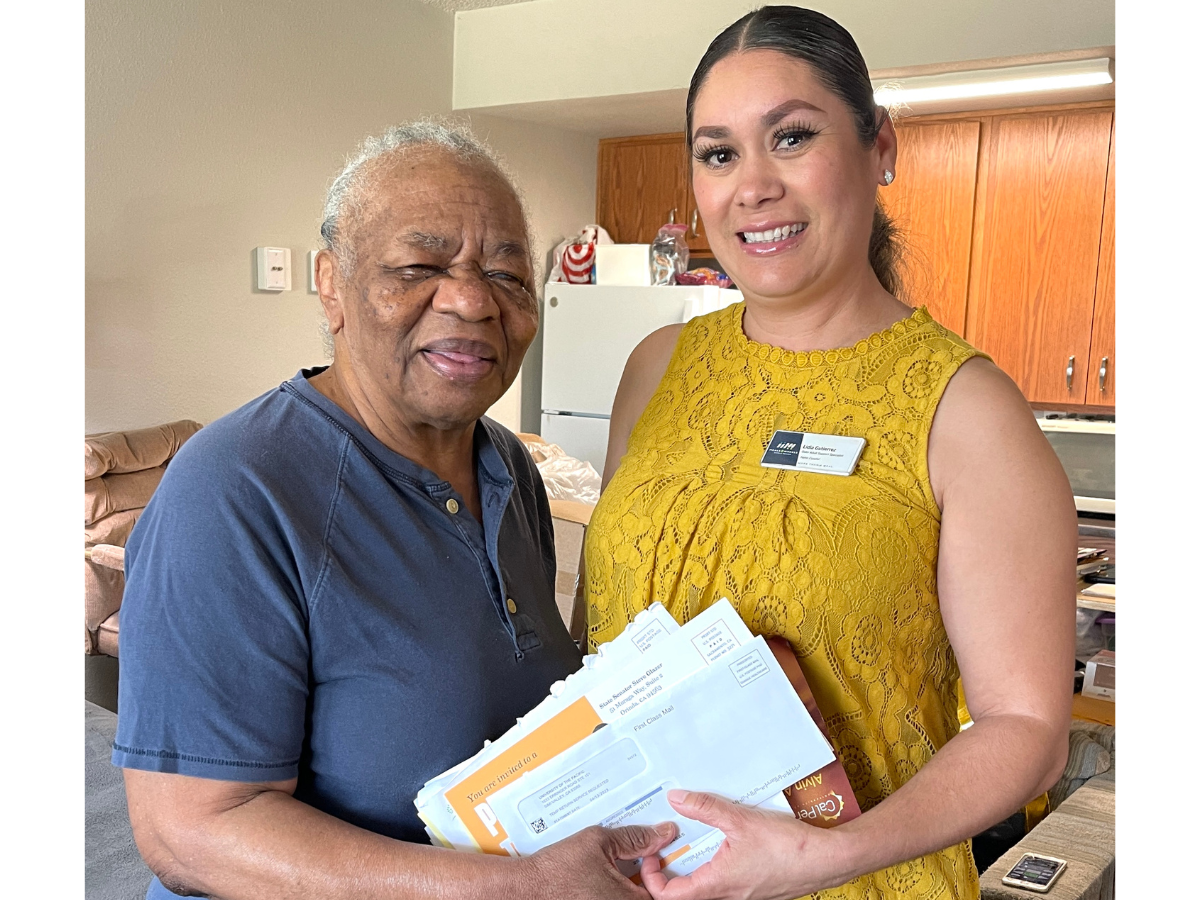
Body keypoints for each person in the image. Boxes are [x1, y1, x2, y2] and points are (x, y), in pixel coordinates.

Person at [113, 121, 676, 900]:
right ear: (331, 285)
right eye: (419, 265)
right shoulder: (235, 488)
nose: (474, 301)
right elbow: (195, 832)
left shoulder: (508, 466)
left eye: (509, 277)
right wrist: (519, 890)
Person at [585, 8, 1076, 900]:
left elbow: (1030, 728)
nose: (752, 186)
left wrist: (827, 856)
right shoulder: (656, 367)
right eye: (719, 153)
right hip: (648, 876)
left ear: (878, 148)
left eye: (793, 137)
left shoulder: (964, 409)